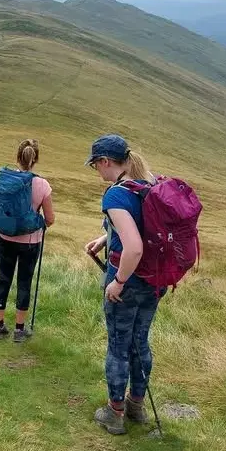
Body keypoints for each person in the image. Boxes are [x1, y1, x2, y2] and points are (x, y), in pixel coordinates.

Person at [83, 134, 164, 434]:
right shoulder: (149, 185)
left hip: (127, 283)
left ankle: (114, 413)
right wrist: (105, 237)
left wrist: (118, 282)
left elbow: (134, 247)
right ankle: (136, 407)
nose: (97, 172)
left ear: (105, 162)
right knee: (140, 342)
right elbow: (140, 228)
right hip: (154, 282)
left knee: (118, 346)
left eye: (95, 166)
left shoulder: (116, 195)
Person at [0, 140, 55, 342]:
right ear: (35, 159)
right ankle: (20, 330)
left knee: (4, 280)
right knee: (24, 282)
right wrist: (35, 221)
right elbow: (50, 219)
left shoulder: (3, 179)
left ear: (17, 157)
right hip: (30, 242)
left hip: (4, 237)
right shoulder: (42, 184)